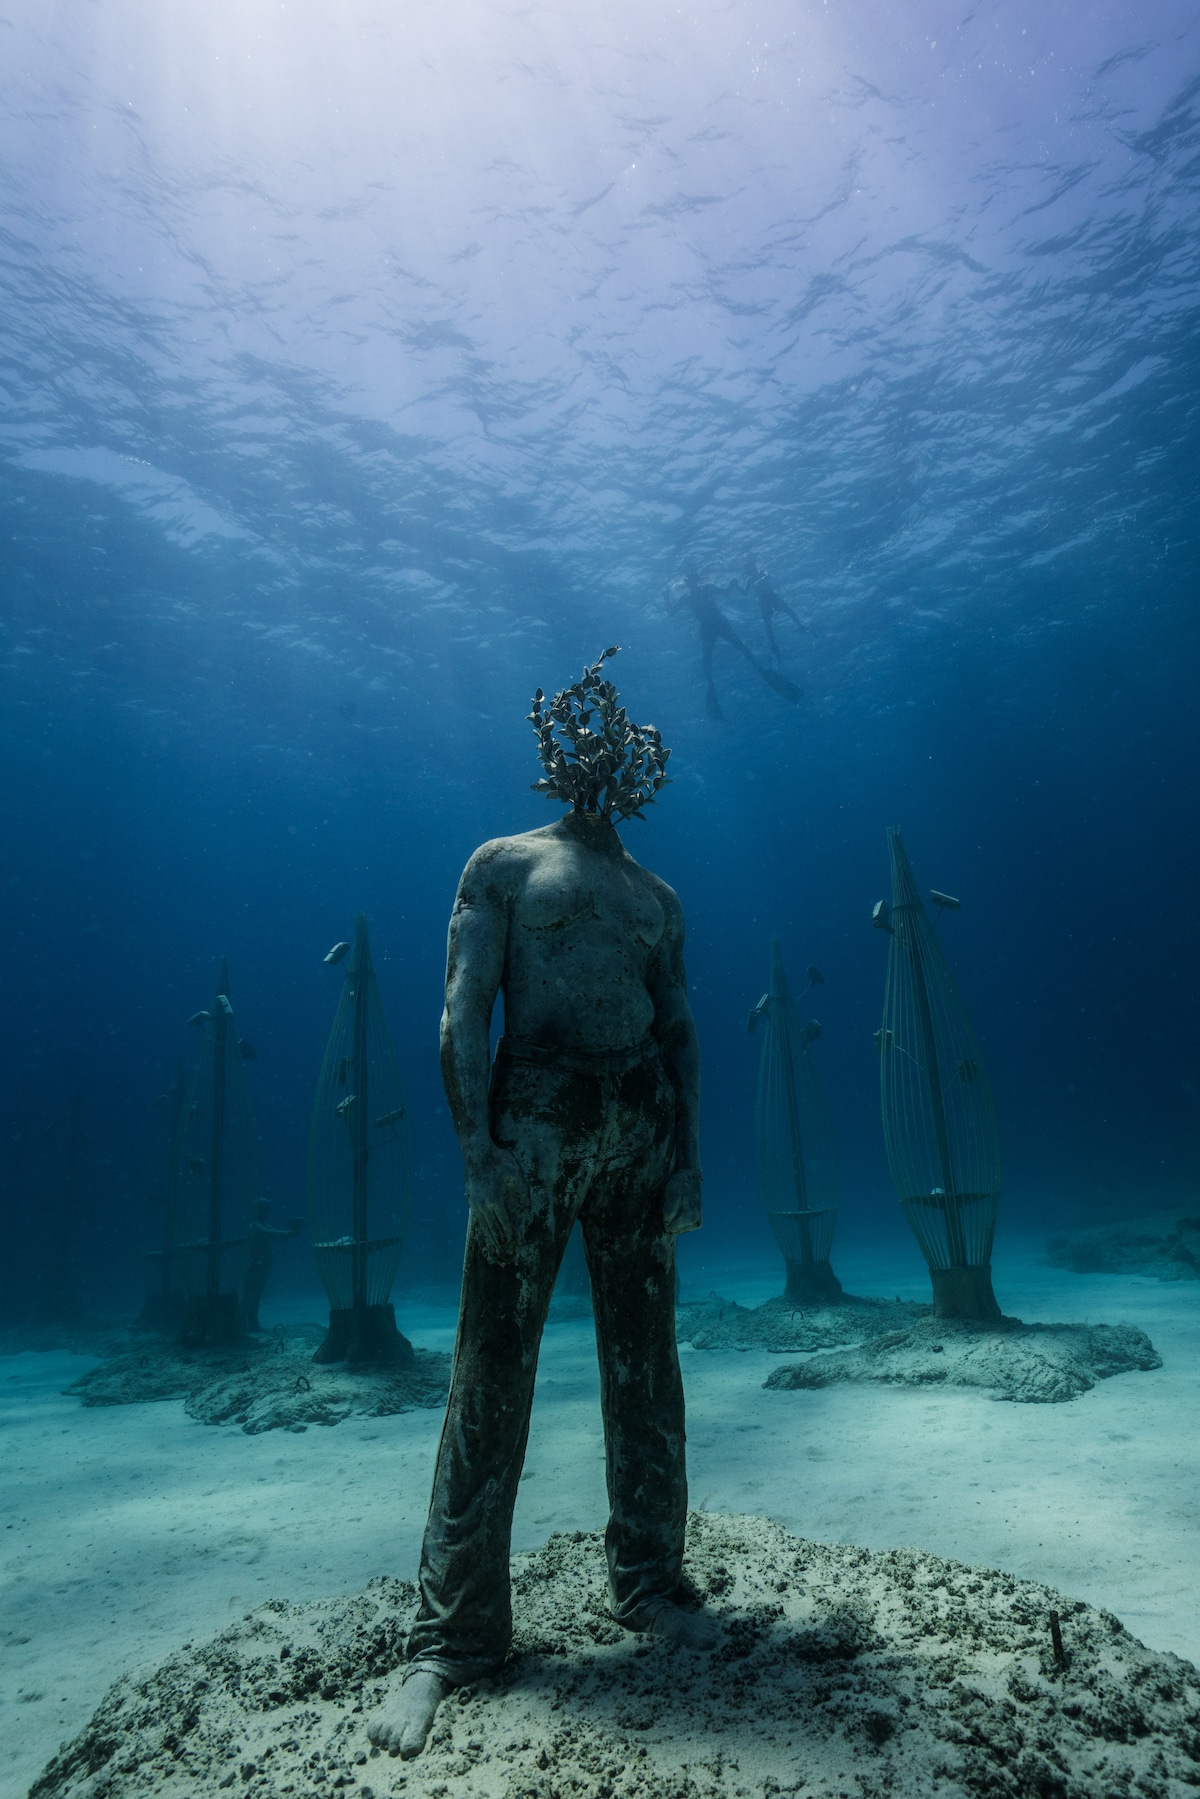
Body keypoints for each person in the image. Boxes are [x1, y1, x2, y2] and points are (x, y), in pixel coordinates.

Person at [368, 650, 713, 1761]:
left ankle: (650, 1579)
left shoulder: (657, 896)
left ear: (637, 760)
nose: (603, 751)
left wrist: (687, 1157)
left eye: (620, 738)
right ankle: (455, 1637)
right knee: (490, 1371)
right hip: (538, 1119)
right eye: (584, 732)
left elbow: (681, 1031)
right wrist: (478, 1151)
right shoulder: (506, 863)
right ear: (558, 747)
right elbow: (460, 1011)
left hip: (638, 1125)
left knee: (646, 1362)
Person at [668, 563, 800, 719]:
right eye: (689, 581)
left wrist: (732, 584)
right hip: (709, 627)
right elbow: (671, 613)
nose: (691, 583)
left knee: (740, 648)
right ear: (689, 583)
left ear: (695, 581)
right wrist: (732, 585)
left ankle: (757, 670)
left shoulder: (704, 589)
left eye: (692, 580)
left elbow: (726, 592)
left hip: (718, 623)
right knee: (709, 658)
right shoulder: (689, 597)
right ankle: (713, 683)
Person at [239, 1199, 301, 1334]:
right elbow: (270, 1234)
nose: (268, 1210)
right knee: (249, 1294)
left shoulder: (265, 1225)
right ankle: (242, 1324)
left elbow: (275, 1235)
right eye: (264, 1208)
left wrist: (290, 1233)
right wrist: (289, 1233)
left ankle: (252, 1322)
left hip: (262, 1264)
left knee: (256, 1294)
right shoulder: (255, 1225)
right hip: (254, 1264)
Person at [741, 552, 806, 662]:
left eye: (747, 569)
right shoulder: (750, 580)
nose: (747, 572)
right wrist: (736, 586)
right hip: (764, 601)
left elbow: (768, 575)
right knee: (768, 625)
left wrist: (760, 580)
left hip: (772, 597)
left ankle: (800, 625)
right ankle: (773, 643)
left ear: (753, 566)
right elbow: (745, 592)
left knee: (788, 610)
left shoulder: (761, 572)